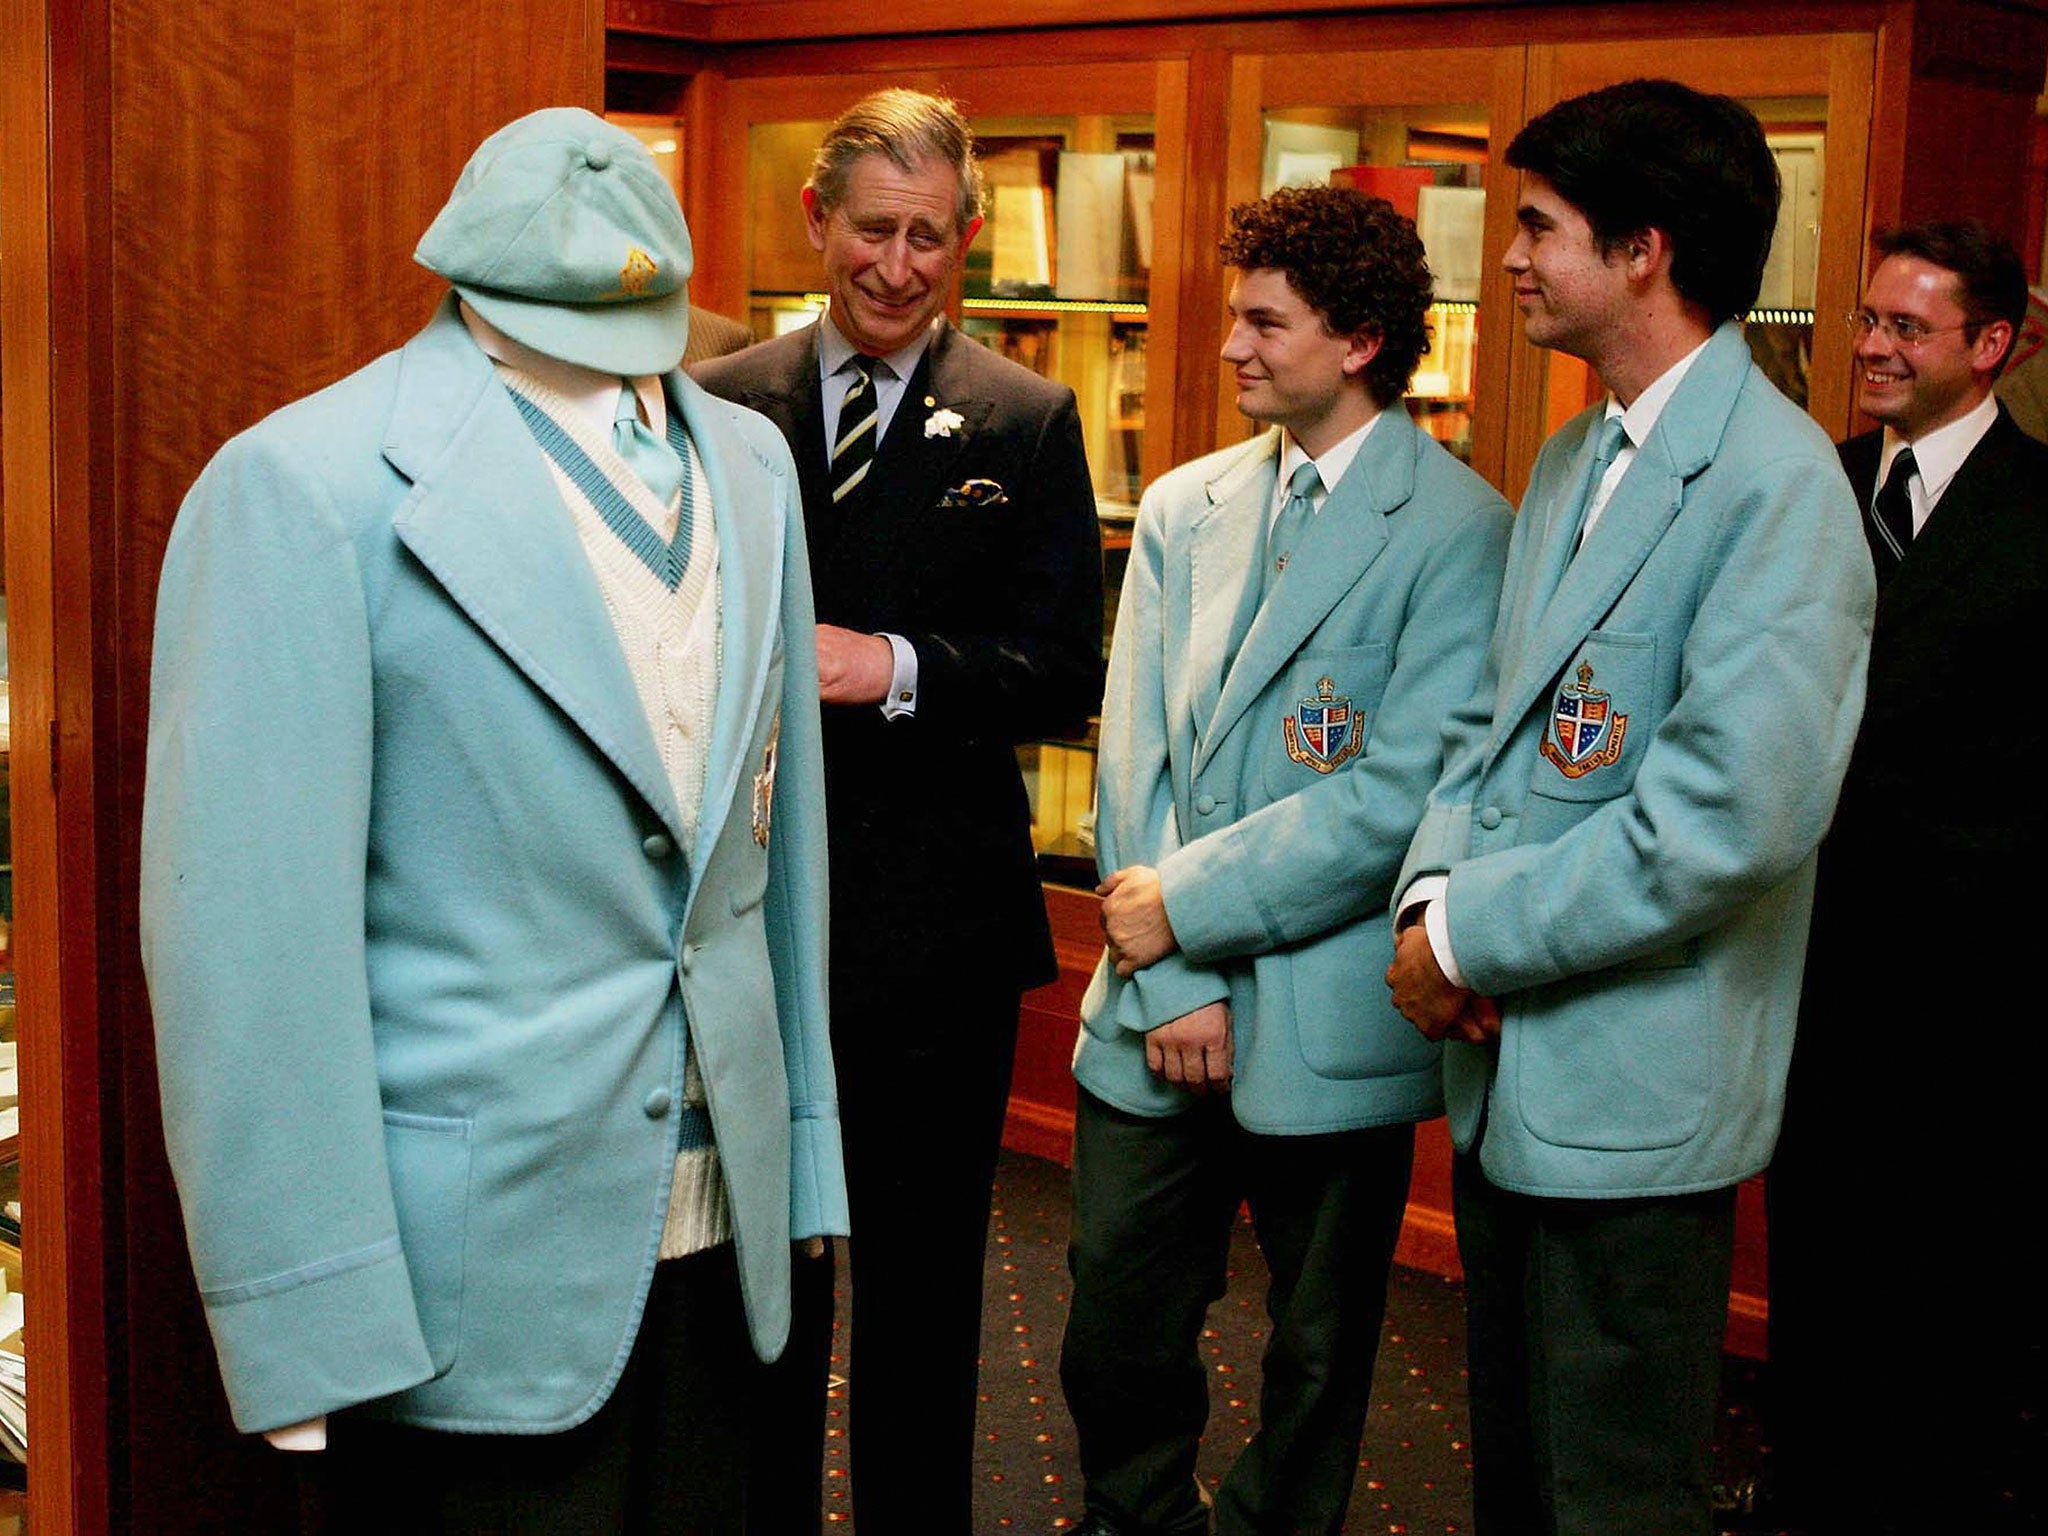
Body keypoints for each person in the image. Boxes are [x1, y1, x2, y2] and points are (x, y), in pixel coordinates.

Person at [140, 108, 845, 1532]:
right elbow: (249, 950)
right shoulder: (306, 489)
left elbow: (781, 857)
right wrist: (299, 1315)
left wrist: (809, 1156)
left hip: (737, 1250)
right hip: (467, 1277)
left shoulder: (754, 467)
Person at [1382, 79, 1874, 1536]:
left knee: (1616, 1498)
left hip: (1634, 1102)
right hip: (1506, 1082)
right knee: (1520, 1484)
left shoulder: (1777, 488)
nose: (1513, 256)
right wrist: (1428, 899)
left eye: (1539, 225)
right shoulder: (1573, 455)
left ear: (1646, 248)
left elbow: (1726, 821)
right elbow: (1486, 729)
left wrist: (1467, 938)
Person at [1057, 186, 1511, 1536]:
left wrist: (1189, 910)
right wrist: (1170, 972)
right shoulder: (1190, 503)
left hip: (1327, 1014)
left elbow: (1401, 795)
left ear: (1362, 337)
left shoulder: (1460, 529)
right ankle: (1138, 1518)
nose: (1233, 345)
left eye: (1267, 319)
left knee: (1318, 1349)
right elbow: (1127, 741)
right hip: (1152, 1005)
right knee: (1115, 1313)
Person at [692, 88, 1104, 1533]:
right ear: (816, 221)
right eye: (874, 229)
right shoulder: (719, 403)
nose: (900, 265)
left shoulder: (1030, 418)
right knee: (765, 1282)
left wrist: (897, 669)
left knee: (926, 1290)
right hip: (755, 924)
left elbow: (1064, 674)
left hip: (940, 934)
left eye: (933, 236)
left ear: (969, 237)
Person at [1769, 219, 2048, 1535]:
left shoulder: (2045, 515)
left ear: (1991, 347)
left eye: (1908, 328)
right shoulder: (1810, 488)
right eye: (1868, 321)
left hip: (1971, 981)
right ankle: (1805, 1485)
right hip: (1799, 958)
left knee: (1948, 1268)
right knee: (1815, 1245)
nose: (1873, 347)